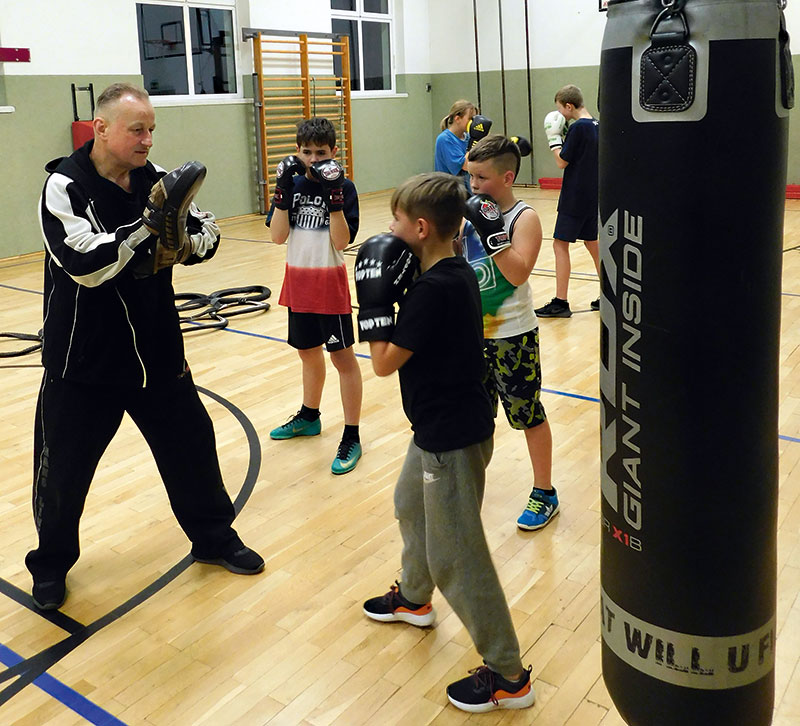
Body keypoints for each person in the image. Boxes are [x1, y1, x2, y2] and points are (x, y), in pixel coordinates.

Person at [30, 82, 264, 611]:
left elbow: (206, 235)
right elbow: (87, 265)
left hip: (157, 350)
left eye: (152, 129)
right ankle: (50, 562)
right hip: (82, 361)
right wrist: (148, 229)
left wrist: (178, 237)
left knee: (193, 448)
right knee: (63, 470)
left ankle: (214, 538)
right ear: (102, 128)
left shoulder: (156, 181)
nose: (148, 140)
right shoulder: (64, 186)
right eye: (138, 129)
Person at [355, 173, 535, 713]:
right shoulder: (456, 273)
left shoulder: (433, 292)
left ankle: (508, 674)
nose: (388, 229)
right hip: (443, 425)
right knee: (410, 504)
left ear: (421, 227)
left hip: (450, 437)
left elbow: (384, 364)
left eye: (394, 220)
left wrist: (372, 304)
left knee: (457, 554)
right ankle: (413, 598)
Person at [462, 134, 559, 530]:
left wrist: (492, 233)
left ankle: (544, 492)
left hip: (513, 335)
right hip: (471, 332)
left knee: (526, 414)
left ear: (506, 177)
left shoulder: (524, 217)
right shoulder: (469, 212)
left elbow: (518, 272)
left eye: (481, 178)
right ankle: (467, 488)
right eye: (470, 177)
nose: (474, 186)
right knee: (472, 416)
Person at [267, 117, 363, 475]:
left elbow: (342, 242)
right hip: (298, 282)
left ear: (334, 153)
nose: (312, 159)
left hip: (329, 284)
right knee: (308, 354)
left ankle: (351, 433)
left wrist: (335, 198)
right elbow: (278, 237)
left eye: (320, 153)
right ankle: (310, 415)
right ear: (297, 151)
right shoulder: (291, 186)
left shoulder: (346, 187)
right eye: (306, 152)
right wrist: (280, 193)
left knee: (342, 359)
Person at [535, 84, 601, 318]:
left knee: (559, 244)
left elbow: (562, 162)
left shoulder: (579, 128)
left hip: (575, 196)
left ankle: (561, 301)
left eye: (561, 109)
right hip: (593, 194)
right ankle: (609, 293)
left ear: (569, 106)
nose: (560, 114)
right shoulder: (597, 125)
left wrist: (554, 140)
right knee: (593, 244)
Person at [434, 100, 478, 193]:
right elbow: (465, 166)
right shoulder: (445, 139)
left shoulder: (468, 137)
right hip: (449, 192)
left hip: (465, 190)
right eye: (470, 119)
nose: (473, 123)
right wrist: (475, 141)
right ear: (457, 119)